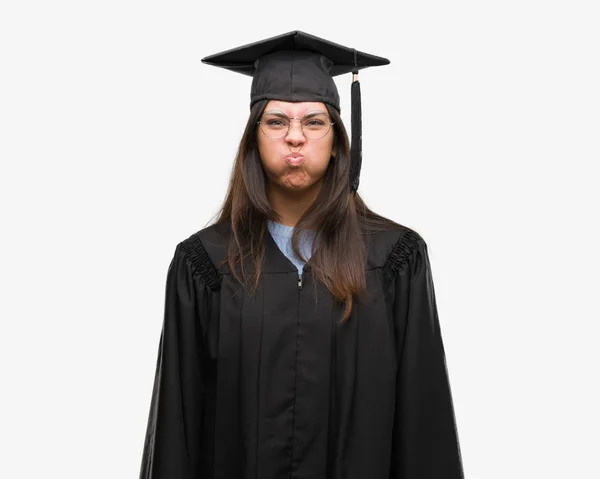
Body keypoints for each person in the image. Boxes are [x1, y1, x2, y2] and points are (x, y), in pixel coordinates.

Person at [139, 30, 464, 479]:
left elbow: (424, 431)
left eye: (313, 122)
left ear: (337, 142)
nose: (295, 137)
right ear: (253, 137)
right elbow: (178, 430)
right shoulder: (204, 265)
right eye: (276, 122)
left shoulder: (395, 261)